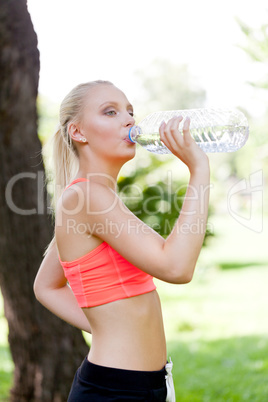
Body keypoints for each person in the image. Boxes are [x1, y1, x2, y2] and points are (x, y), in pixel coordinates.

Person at [34, 80, 210, 401]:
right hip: (116, 390)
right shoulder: (87, 197)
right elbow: (176, 267)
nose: (129, 120)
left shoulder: (93, 196)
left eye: (130, 111)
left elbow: (46, 286)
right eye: (110, 112)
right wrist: (198, 169)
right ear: (78, 132)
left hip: (140, 384)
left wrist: (106, 326)